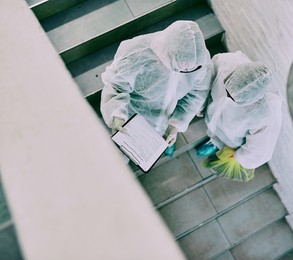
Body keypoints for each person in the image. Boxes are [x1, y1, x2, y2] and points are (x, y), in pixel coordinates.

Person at [100, 21, 213, 157]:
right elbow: (116, 85)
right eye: (179, 68)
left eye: (188, 70)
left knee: (152, 147)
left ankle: (160, 145)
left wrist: (175, 125)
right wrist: (117, 115)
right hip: (130, 117)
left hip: (165, 118)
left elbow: (196, 95)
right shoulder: (137, 53)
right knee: (125, 152)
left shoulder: (199, 61)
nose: (185, 71)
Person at [197, 51, 282, 181]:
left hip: (232, 138)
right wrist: (201, 104)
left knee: (224, 140)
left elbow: (260, 149)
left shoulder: (266, 113)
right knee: (213, 126)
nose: (228, 98)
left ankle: (216, 145)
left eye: (235, 100)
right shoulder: (226, 61)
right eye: (227, 92)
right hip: (214, 115)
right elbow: (207, 77)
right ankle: (212, 140)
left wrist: (237, 156)